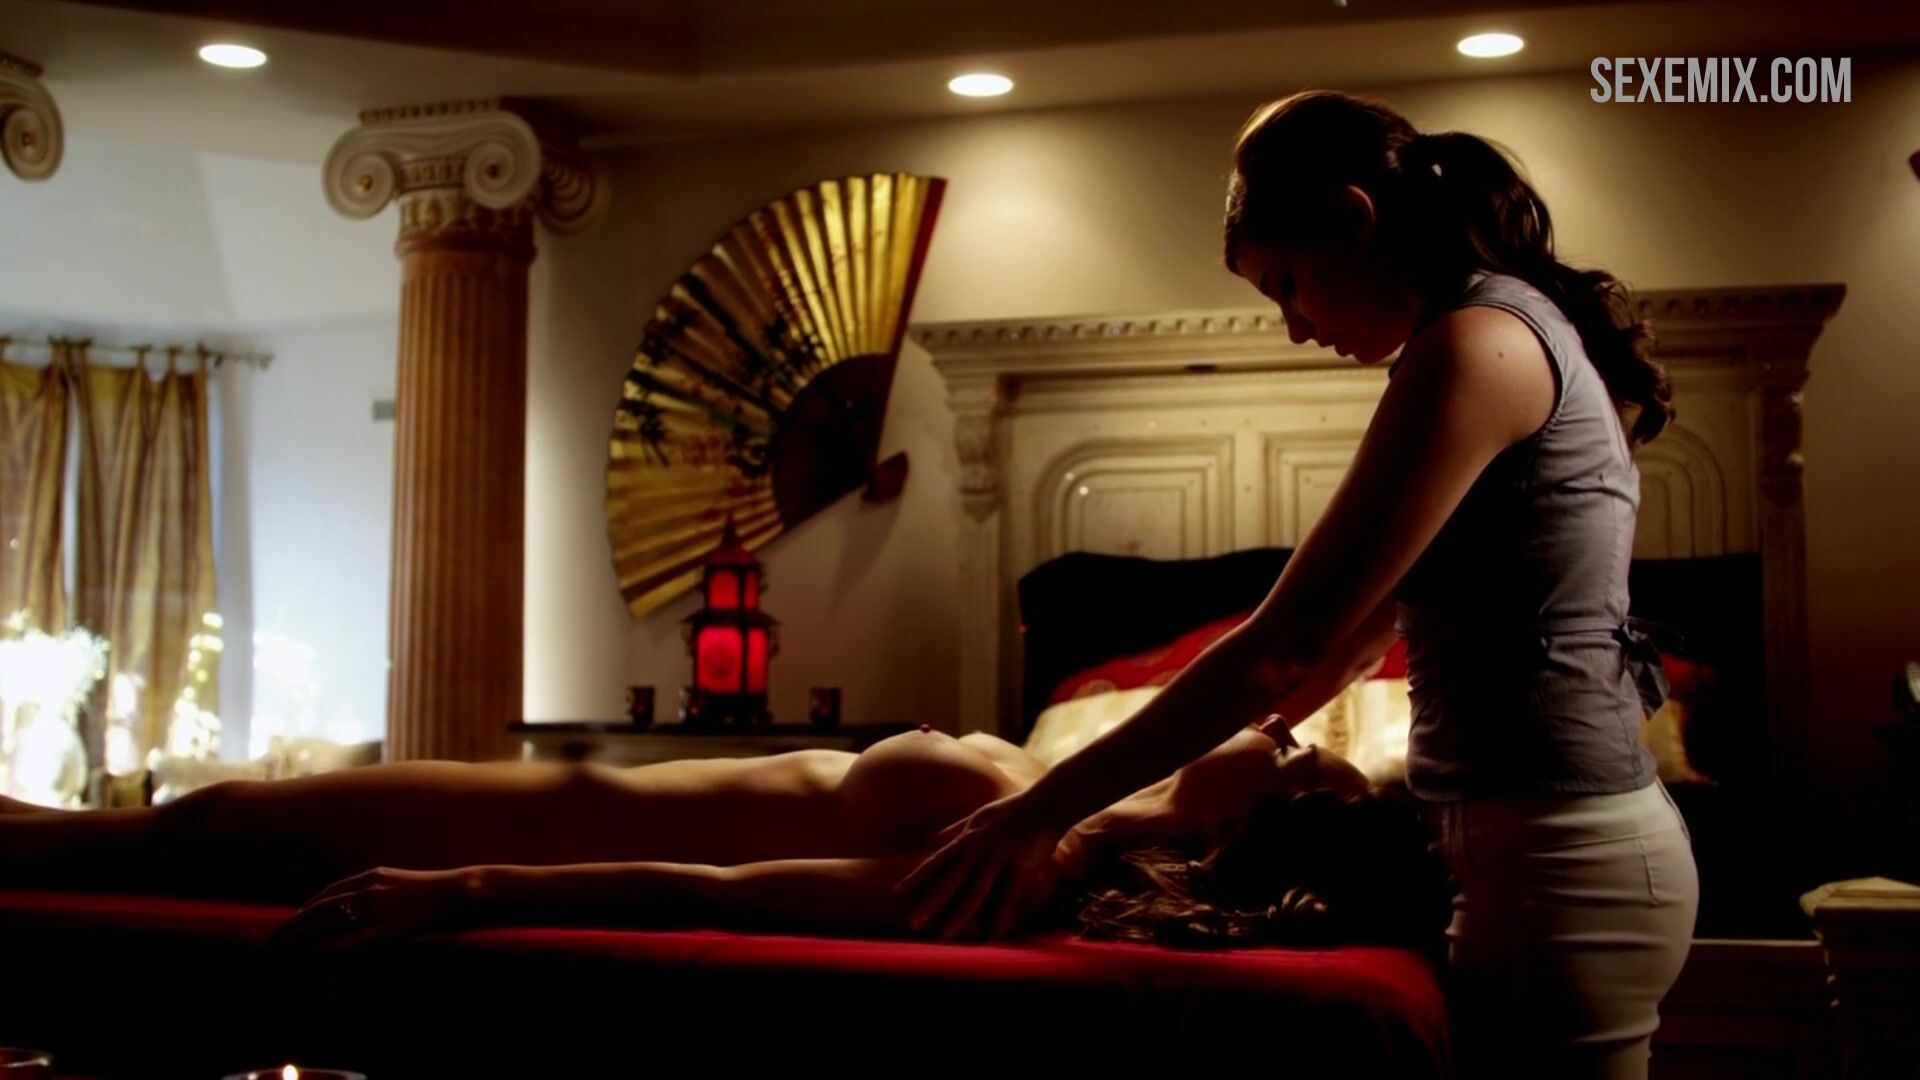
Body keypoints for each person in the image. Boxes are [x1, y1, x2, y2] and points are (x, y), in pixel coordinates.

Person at [899, 90, 1699, 1079]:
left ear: (1355, 220)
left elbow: (1279, 645)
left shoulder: (1474, 345)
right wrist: (1244, 748)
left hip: (1559, 858)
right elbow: (1354, 640)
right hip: (1540, 850)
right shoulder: (1495, 332)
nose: (1293, 327)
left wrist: (1039, 812)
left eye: (1286, 285)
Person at [0, 724, 1445, 952]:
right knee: (165, 825)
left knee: (179, 835)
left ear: (1258, 817)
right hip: (535, 790)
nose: (1286, 727)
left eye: (1301, 754)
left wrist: (466, 890)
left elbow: (743, 889)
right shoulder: (1077, 796)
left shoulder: (1036, 863)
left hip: (524, 835)